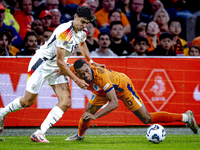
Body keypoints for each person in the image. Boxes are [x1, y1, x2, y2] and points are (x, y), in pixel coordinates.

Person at [0, 6, 104, 143]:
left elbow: (82, 44)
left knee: (66, 101)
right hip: (42, 65)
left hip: (57, 67)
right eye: (82, 22)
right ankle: (2, 113)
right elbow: (61, 62)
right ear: (75, 18)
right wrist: (77, 81)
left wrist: (90, 61)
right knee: (28, 101)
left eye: (87, 23)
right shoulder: (64, 32)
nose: (84, 25)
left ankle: (40, 133)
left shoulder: (82, 30)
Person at [65, 59, 198, 141]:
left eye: (87, 71)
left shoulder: (101, 77)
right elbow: (63, 65)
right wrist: (58, 70)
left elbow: (114, 103)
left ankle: (185, 117)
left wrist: (95, 116)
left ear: (89, 67)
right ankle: (79, 136)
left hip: (123, 88)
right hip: (100, 92)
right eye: (82, 74)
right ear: (76, 72)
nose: (86, 75)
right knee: (86, 113)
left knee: (146, 118)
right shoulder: (74, 69)